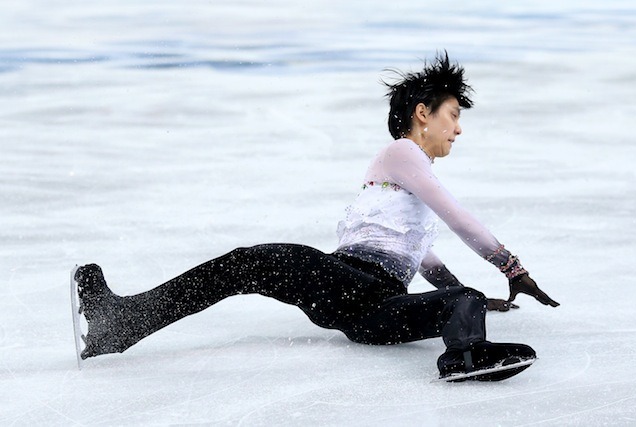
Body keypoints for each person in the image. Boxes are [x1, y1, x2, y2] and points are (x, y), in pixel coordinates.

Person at [73, 52, 559, 382]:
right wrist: (513, 268)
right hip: (346, 281)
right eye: (452, 114)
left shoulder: (409, 183)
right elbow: (457, 217)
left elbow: (421, 256)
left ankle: (465, 356)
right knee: (249, 261)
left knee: (464, 298)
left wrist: (468, 297)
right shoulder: (401, 153)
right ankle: (121, 321)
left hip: (373, 309)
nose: (459, 128)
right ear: (422, 114)